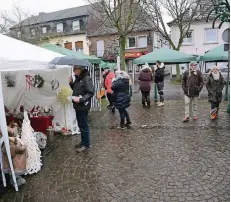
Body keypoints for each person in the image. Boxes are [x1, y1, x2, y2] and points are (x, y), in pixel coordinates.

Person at [69, 66, 94, 152]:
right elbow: (76, 90)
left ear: (79, 70)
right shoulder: (78, 79)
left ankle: (86, 145)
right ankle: (83, 142)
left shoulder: (86, 78)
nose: (74, 72)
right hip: (78, 105)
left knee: (84, 125)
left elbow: (90, 92)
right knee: (81, 125)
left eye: (75, 70)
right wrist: (71, 83)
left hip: (83, 105)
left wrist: (81, 99)